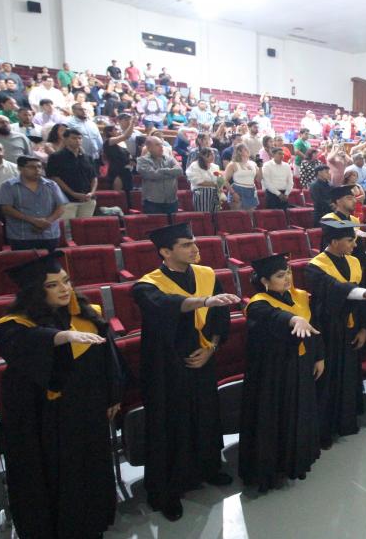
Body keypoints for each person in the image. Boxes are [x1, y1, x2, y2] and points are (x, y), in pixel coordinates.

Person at [0, 251, 123, 539]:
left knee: (90, 468)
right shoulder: (14, 325)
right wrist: (58, 336)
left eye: (66, 281)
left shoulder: (87, 314)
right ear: (35, 292)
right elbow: (20, 349)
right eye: (53, 285)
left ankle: (93, 523)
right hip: (48, 419)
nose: (65, 289)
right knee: (59, 475)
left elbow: (109, 358)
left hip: (88, 410)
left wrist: (113, 394)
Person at [132, 223, 240, 521]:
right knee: (171, 424)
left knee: (205, 414)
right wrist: (203, 301)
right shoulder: (146, 286)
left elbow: (219, 317)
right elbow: (165, 305)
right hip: (166, 368)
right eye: (185, 245)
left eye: (194, 242)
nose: (195, 249)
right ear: (165, 251)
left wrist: (212, 348)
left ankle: (208, 468)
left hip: (201, 361)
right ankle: (169, 490)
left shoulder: (206, 275)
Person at [305, 220, 366, 448]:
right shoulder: (315, 266)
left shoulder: (355, 261)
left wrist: (364, 327)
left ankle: (346, 421)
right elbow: (333, 288)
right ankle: (324, 430)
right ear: (334, 242)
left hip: (352, 328)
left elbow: (361, 300)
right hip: (328, 329)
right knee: (328, 380)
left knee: (349, 375)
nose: (354, 245)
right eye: (350, 240)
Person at [239, 253, 323, 493]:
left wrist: (319, 357)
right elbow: (275, 316)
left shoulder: (299, 296)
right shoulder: (257, 304)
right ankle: (270, 470)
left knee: (300, 411)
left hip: (300, 364)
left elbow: (314, 327)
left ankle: (295, 461)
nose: (287, 278)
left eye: (287, 272)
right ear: (265, 281)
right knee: (274, 418)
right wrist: (293, 318)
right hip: (272, 374)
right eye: (279, 275)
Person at [0, 156, 68, 250]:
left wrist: (47, 222)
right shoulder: (9, 186)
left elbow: (61, 206)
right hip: (21, 235)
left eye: (39, 167)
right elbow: (6, 209)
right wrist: (34, 221)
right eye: (32, 167)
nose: (37, 170)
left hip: (49, 234)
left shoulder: (51, 185)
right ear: (20, 168)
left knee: (49, 263)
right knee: (25, 263)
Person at [46, 129, 98, 222]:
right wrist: (72, 193)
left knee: (84, 228)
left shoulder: (87, 157)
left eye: (80, 138)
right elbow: (54, 177)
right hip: (66, 199)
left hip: (87, 199)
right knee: (67, 228)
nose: (78, 141)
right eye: (74, 138)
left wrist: (92, 192)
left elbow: (94, 177)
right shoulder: (56, 157)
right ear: (65, 140)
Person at [136, 137, 182, 214]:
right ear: (149, 147)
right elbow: (151, 175)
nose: (161, 147)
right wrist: (170, 173)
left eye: (161, 144)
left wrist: (162, 171)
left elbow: (179, 171)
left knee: (174, 225)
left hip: (172, 201)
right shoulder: (142, 160)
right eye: (157, 145)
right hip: (153, 202)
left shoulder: (170, 159)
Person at [224, 143, 260, 211]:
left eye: (247, 149)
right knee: (238, 216)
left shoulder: (253, 163)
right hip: (238, 190)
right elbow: (225, 180)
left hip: (251, 191)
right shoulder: (232, 164)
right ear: (239, 152)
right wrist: (233, 193)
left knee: (251, 216)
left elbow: (259, 179)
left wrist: (260, 167)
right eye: (245, 149)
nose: (248, 151)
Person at [186, 147, 223, 213]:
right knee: (204, 215)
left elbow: (219, 179)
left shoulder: (215, 166)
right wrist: (215, 184)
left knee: (215, 215)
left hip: (215, 193)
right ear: (202, 156)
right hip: (201, 193)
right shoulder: (195, 165)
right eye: (210, 155)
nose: (212, 156)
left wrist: (220, 186)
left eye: (213, 154)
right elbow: (198, 182)